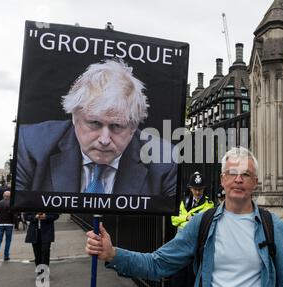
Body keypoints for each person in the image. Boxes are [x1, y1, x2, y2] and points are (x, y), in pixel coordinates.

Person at [85, 147, 283, 287]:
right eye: (232, 173)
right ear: (223, 179)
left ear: (255, 182)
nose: (238, 179)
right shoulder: (202, 223)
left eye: (246, 174)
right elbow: (158, 264)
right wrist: (113, 253)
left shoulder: (274, 227)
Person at [16, 58, 176, 197]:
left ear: (133, 127)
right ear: (75, 117)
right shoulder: (31, 144)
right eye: (94, 123)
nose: (104, 140)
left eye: (116, 126)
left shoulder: (165, 160)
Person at [170, 171, 214, 287]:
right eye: (195, 189)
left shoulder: (208, 203)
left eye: (200, 189)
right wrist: (187, 217)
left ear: (204, 189)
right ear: (190, 188)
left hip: (196, 244)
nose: (198, 192)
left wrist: (184, 218)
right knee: (178, 277)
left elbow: (204, 221)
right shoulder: (183, 201)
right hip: (180, 243)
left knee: (192, 278)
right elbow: (173, 220)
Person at [0, 191, 17, 262]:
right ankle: (6, 255)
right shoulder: (12, 204)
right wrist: (15, 223)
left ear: (3, 196)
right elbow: (15, 216)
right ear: (10, 196)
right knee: (8, 240)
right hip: (9, 224)